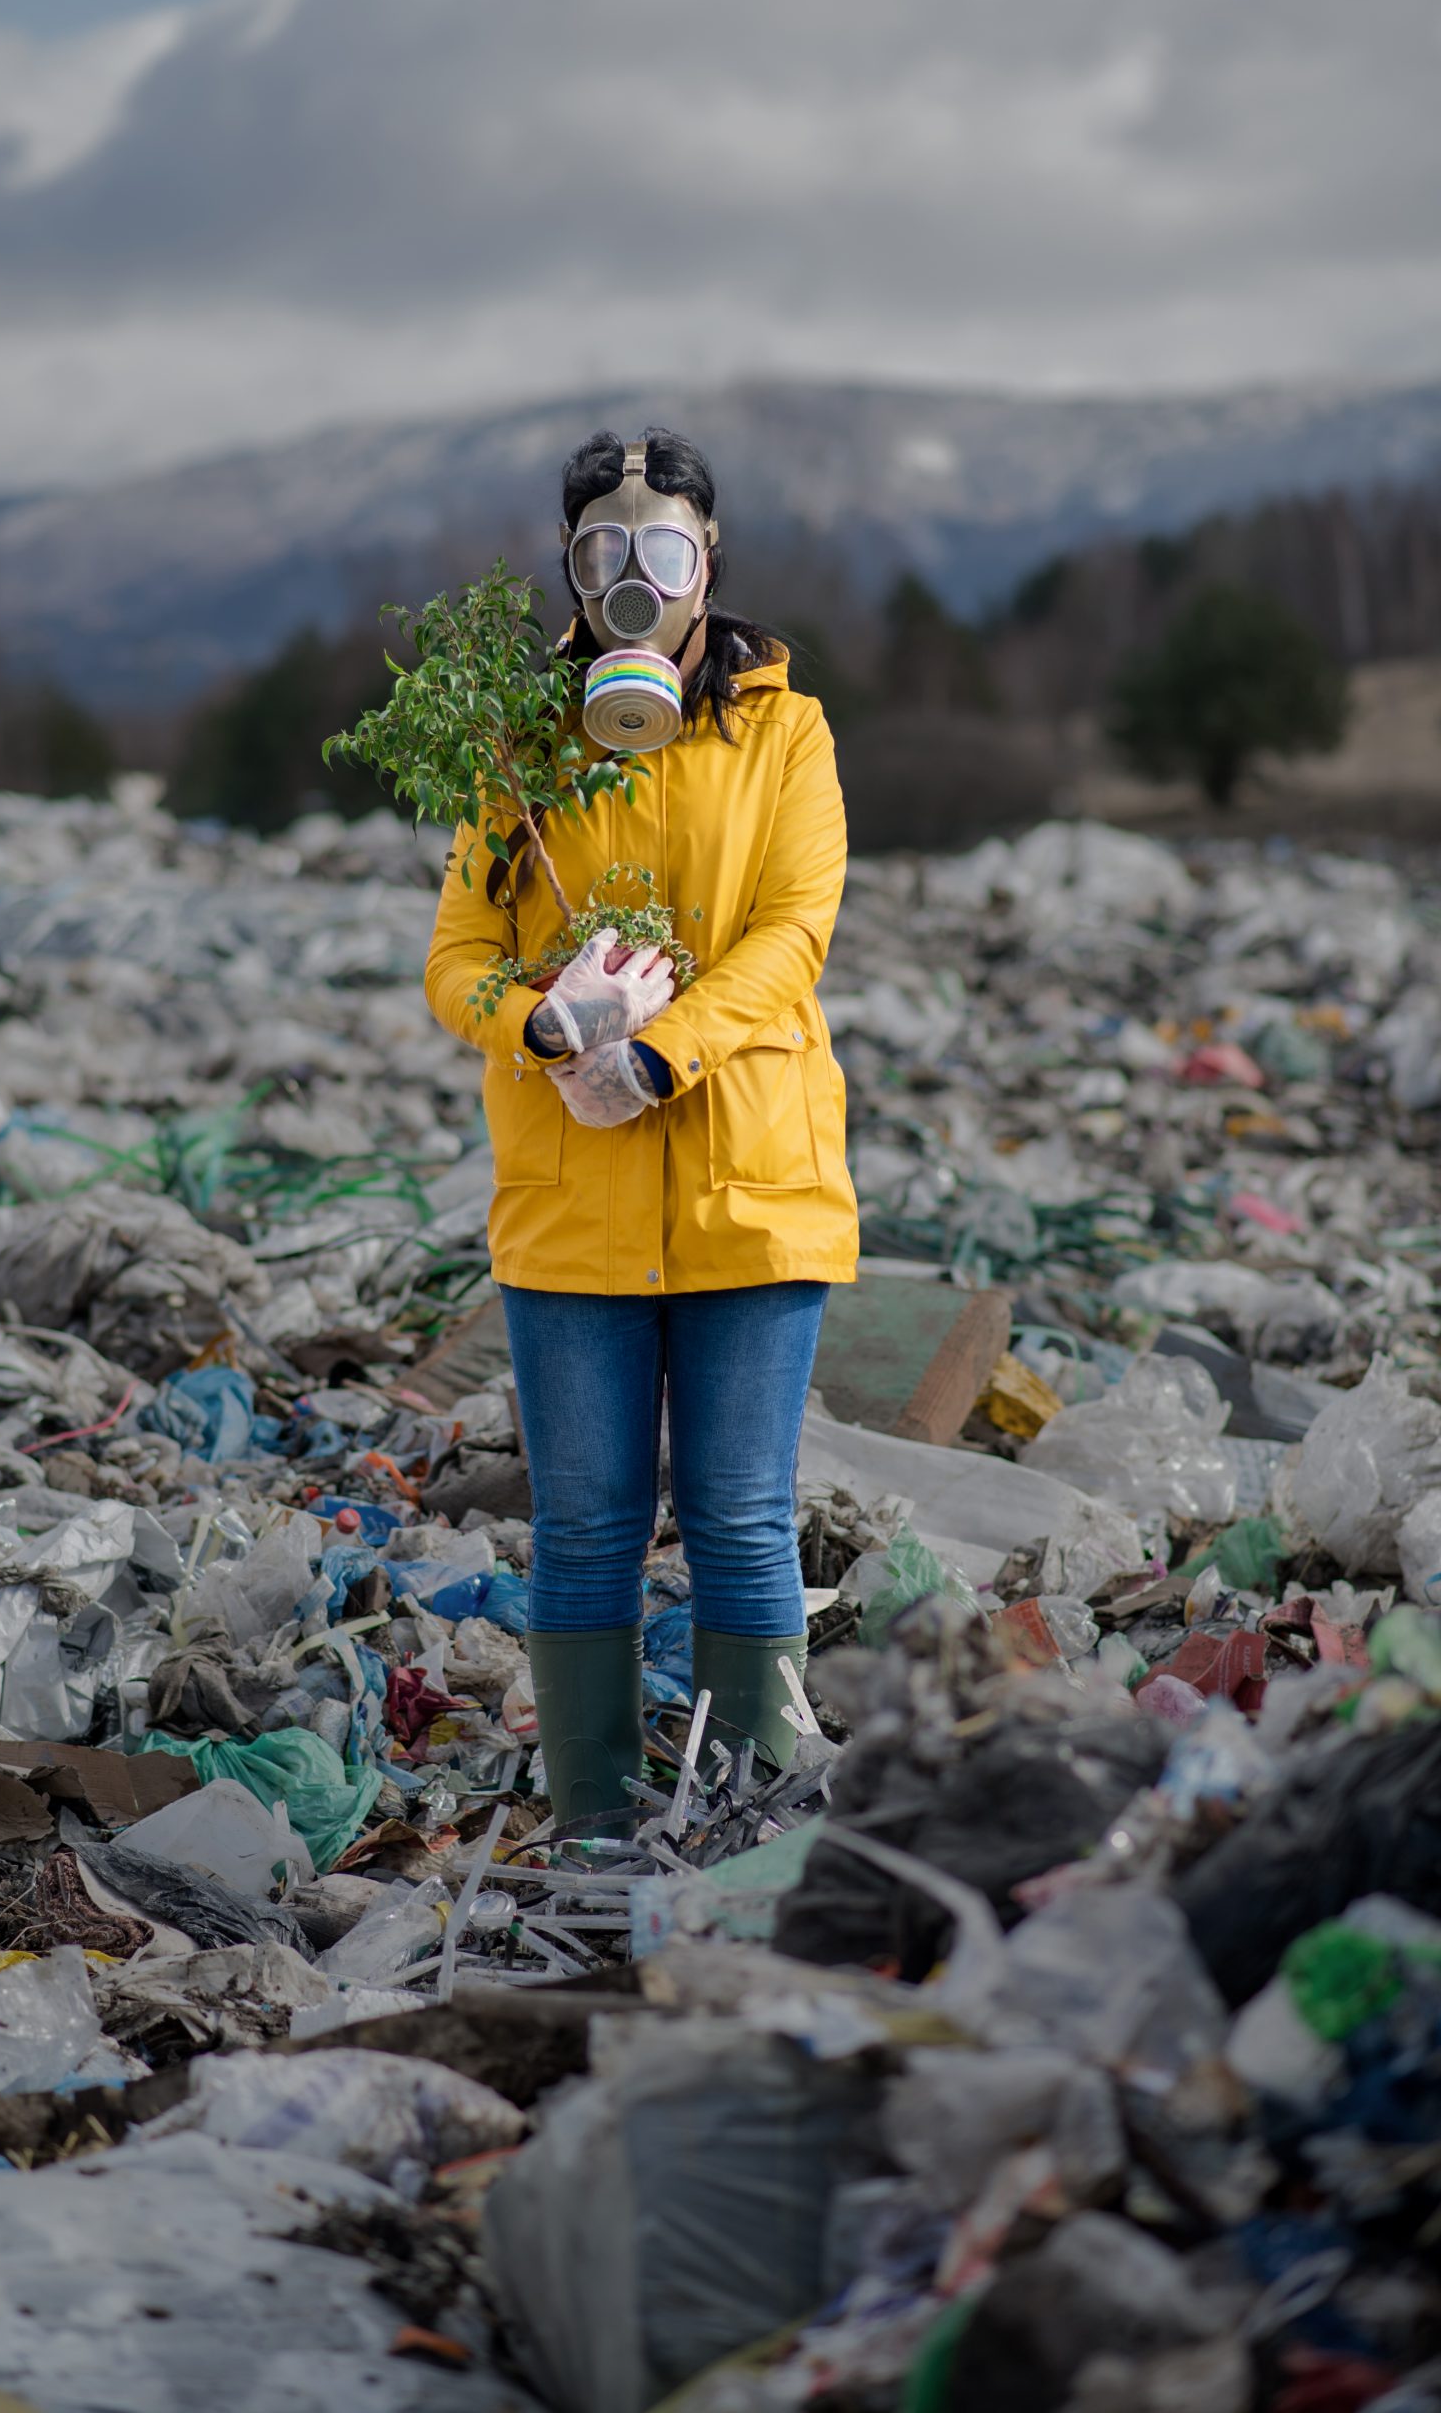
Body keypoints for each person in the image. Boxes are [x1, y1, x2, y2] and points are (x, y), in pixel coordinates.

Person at [423, 425, 858, 1832]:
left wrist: (665, 1051)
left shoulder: (783, 728)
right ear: (569, 567)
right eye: (605, 553)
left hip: (751, 1183)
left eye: (663, 552)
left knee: (741, 1520)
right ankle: (599, 1832)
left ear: (710, 564)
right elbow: (457, 953)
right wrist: (536, 1026)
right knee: (588, 1529)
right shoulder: (520, 744)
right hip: (573, 1199)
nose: (636, 582)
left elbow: (794, 933)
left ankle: (760, 1822)